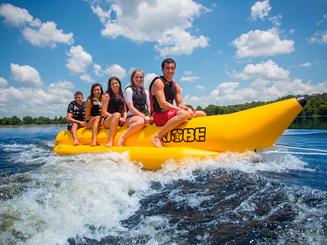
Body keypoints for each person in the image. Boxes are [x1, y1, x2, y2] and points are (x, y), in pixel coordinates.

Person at [149, 58, 206, 147]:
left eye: (172, 68)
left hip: (170, 113)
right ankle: (157, 136)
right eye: (167, 68)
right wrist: (182, 111)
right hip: (159, 115)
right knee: (184, 114)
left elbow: (180, 103)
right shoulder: (158, 82)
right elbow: (162, 104)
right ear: (162, 70)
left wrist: (187, 108)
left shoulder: (175, 85)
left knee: (202, 113)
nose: (170, 71)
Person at [118, 69, 151, 146]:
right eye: (136, 77)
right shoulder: (129, 90)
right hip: (131, 117)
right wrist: (143, 116)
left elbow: (149, 106)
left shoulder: (146, 91)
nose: (139, 79)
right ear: (132, 78)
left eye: (141, 77)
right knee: (140, 121)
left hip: (144, 116)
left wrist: (148, 116)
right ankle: (123, 137)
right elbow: (130, 107)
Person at [102, 76, 127, 147]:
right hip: (108, 120)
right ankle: (110, 141)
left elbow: (125, 110)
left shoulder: (122, 95)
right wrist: (117, 117)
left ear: (119, 84)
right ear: (110, 86)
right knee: (117, 114)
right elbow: (104, 112)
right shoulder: (107, 95)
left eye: (116, 83)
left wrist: (124, 117)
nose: (115, 85)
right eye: (112, 84)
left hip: (120, 119)